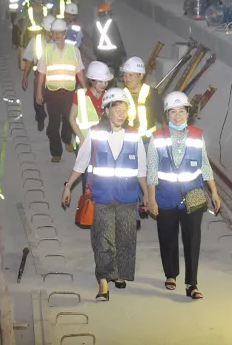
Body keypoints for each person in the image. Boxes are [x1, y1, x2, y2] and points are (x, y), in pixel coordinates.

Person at [61, 87, 146, 301]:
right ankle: (103, 280)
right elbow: (81, 162)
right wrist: (68, 186)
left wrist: (148, 195)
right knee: (102, 237)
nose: (120, 113)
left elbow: (142, 169)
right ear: (106, 111)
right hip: (102, 194)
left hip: (128, 195)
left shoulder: (134, 135)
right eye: (116, 109)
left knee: (126, 237)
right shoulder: (95, 133)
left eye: (124, 109)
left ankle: (119, 273)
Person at [146, 92, 222, 300]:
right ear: (166, 114)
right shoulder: (157, 138)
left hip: (194, 194)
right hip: (166, 195)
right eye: (173, 111)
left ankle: (192, 284)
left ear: (188, 113)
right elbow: (152, 170)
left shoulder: (197, 136)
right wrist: (151, 198)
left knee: (192, 239)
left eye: (181, 111)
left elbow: (205, 166)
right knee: (167, 237)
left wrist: (214, 192)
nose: (178, 116)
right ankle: (171, 274)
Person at [36, 18, 86, 162]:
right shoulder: (47, 51)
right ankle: (56, 152)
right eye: (54, 33)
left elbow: (79, 71)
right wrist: (38, 92)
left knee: (70, 120)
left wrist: (85, 89)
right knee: (53, 124)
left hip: (69, 92)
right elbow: (41, 73)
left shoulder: (74, 51)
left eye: (59, 33)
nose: (56, 35)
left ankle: (66, 138)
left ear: (65, 33)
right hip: (52, 94)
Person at [68, 60, 111, 149]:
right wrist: (81, 138)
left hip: (104, 143)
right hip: (84, 142)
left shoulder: (109, 96)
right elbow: (72, 118)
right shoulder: (80, 95)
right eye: (100, 81)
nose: (104, 85)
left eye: (106, 81)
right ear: (92, 80)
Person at [121, 56, 160, 139]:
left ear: (140, 76)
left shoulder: (152, 93)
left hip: (148, 140)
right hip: (128, 140)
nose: (127, 79)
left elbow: (161, 117)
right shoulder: (121, 94)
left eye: (130, 75)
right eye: (124, 75)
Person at [20, 24, 48, 132]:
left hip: (54, 75)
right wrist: (25, 76)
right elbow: (29, 58)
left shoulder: (59, 41)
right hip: (39, 73)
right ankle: (40, 118)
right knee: (38, 97)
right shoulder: (36, 40)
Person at [89, 2, 125, 73]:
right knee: (116, 71)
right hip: (114, 55)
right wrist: (123, 54)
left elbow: (94, 40)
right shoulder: (112, 23)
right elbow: (118, 39)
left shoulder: (96, 25)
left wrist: (96, 53)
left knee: (101, 73)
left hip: (101, 55)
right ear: (109, 13)